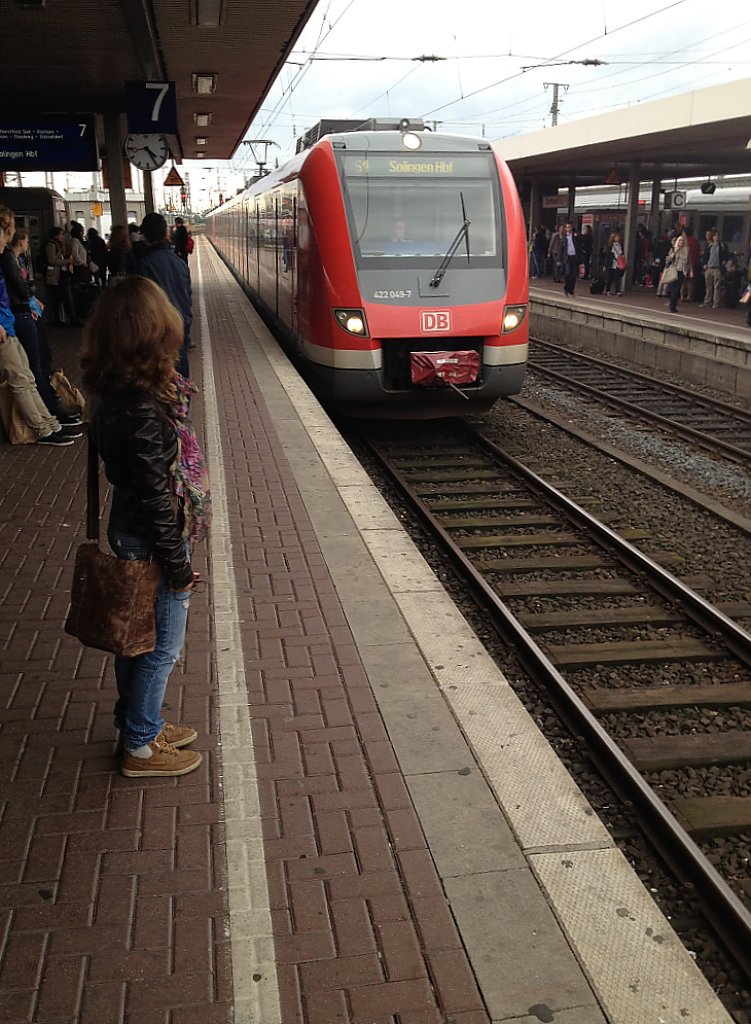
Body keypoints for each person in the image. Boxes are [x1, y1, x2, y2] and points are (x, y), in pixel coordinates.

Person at [80, 276, 210, 777]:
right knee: (161, 646)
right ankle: (140, 745)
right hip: (150, 538)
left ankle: (139, 722)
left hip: (129, 529)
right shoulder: (142, 410)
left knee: (133, 637)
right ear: (154, 334)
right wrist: (178, 568)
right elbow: (157, 498)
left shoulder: (114, 394)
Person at [0, 207, 75, 447]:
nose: (7, 238)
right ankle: (43, 429)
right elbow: (20, 288)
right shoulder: (6, 259)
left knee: (27, 377)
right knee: (21, 380)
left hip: (9, 325)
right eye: (5, 232)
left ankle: (50, 423)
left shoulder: (7, 258)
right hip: (5, 327)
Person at [137, 213, 193, 377]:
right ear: (166, 234)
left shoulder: (144, 265)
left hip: (158, 342)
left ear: (144, 236)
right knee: (180, 393)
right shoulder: (180, 264)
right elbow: (187, 301)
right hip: (180, 334)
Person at [44, 226, 79, 326]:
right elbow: (51, 260)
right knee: (60, 299)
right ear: (56, 235)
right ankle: (62, 320)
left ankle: (64, 320)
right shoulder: (51, 245)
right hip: (56, 276)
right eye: (61, 234)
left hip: (61, 275)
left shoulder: (60, 245)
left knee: (61, 299)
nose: (63, 236)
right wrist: (66, 261)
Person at [666, 233, 692, 313]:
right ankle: (671, 304)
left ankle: (673, 305)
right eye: (680, 240)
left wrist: (690, 271)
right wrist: (674, 252)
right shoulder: (674, 249)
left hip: (681, 272)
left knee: (677, 289)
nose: (681, 242)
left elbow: (688, 262)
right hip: (674, 271)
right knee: (671, 289)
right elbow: (669, 259)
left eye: (682, 241)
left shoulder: (686, 251)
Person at [701, 230, 726, 310]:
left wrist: (723, 261)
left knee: (717, 286)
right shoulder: (709, 246)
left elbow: (725, 255)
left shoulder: (721, 246)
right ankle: (707, 301)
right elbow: (705, 256)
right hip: (709, 267)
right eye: (715, 236)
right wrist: (704, 264)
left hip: (717, 268)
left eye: (717, 236)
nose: (716, 237)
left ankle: (716, 302)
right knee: (708, 286)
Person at [562, 221, 581, 297]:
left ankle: (571, 289)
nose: (568, 229)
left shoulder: (576, 235)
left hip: (575, 257)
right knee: (568, 273)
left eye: (569, 227)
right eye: (567, 227)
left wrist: (576, 237)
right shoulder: (564, 237)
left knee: (573, 274)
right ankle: (566, 287)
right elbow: (562, 248)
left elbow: (580, 246)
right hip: (567, 257)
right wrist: (559, 259)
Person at [605, 232, 625, 296]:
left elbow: (622, 253)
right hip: (611, 263)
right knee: (609, 277)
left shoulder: (621, 245)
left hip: (618, 264)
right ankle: (608, 290)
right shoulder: (611, 246)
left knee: (617, 277)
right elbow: (608, 256)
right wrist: (605, 265)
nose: (618, 238)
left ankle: (617, 290)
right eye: (617, 237)